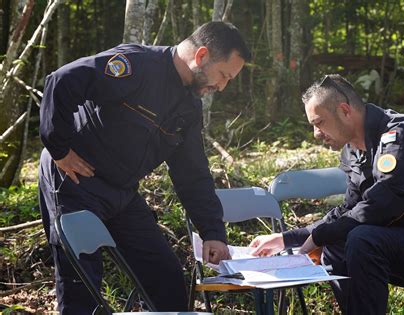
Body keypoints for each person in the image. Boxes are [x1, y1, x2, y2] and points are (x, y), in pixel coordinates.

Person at [39, 21, 251, 314]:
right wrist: (59, 149)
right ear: (201, 55)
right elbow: (61, 81)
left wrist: (212, 230)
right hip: (75, 180)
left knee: (167, 278)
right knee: (82, 285)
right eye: (223, 75)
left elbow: (192, 174)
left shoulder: (189, 107)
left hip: (122, 193)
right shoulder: (135, 66)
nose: (222, 87)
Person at [250, 74, 404, 314]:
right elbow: (348, 210)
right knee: (337, 243)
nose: (316, 133)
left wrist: (320, 236)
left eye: (319, 122)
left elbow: (382, 205)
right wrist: (287, 238)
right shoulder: (354, 151)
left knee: (363, 238)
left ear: (345, 110)